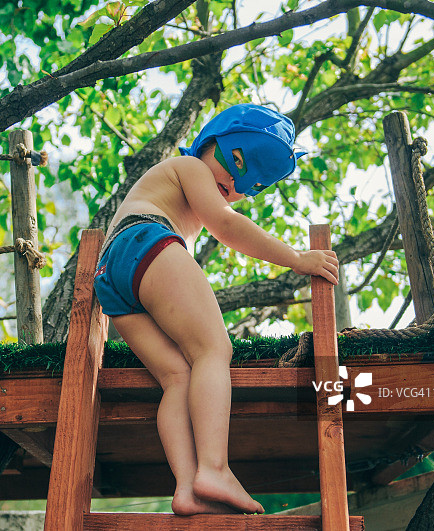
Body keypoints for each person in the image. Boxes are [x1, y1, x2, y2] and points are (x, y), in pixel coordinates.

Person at [93, 104, 339, 515]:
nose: (236, 182)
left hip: (113, 277)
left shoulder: (180, 185)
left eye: (253, 185)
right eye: (236, 161)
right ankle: (215, 467)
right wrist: (298, 259)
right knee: (214, 350)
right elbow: (225, 226)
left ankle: (188, 487)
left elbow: (221, 219)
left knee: (177, 377)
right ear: (209, 143)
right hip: (145, 241)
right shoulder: (187, 166)